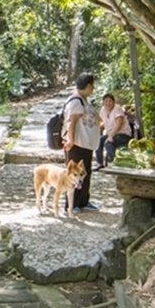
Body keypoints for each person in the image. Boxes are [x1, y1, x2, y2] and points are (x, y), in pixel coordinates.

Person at [62, 72, 102, 213]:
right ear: (89, 86)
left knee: (85, 173)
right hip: (77, 144)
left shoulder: (84, 100)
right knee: (74, 174)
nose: (93, 89)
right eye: (93, 86)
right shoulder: (75, 101)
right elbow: (71, 122)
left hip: (86, 144)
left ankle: (84, 201)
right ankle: (71, 205)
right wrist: (71, 140)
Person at [98, 94, 132, 168]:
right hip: (112, 134)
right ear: (103, 103)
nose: (108, 103)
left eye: (110, 101)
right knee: (99, 140)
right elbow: (101, 123)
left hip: (123, 134)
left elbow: (119, 124)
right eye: (106, 101)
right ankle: (99, 163)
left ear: (113, 102)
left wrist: (110, 136)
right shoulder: (103, 110)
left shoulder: (117, 108)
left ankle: (116, 163)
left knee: (108, 143)